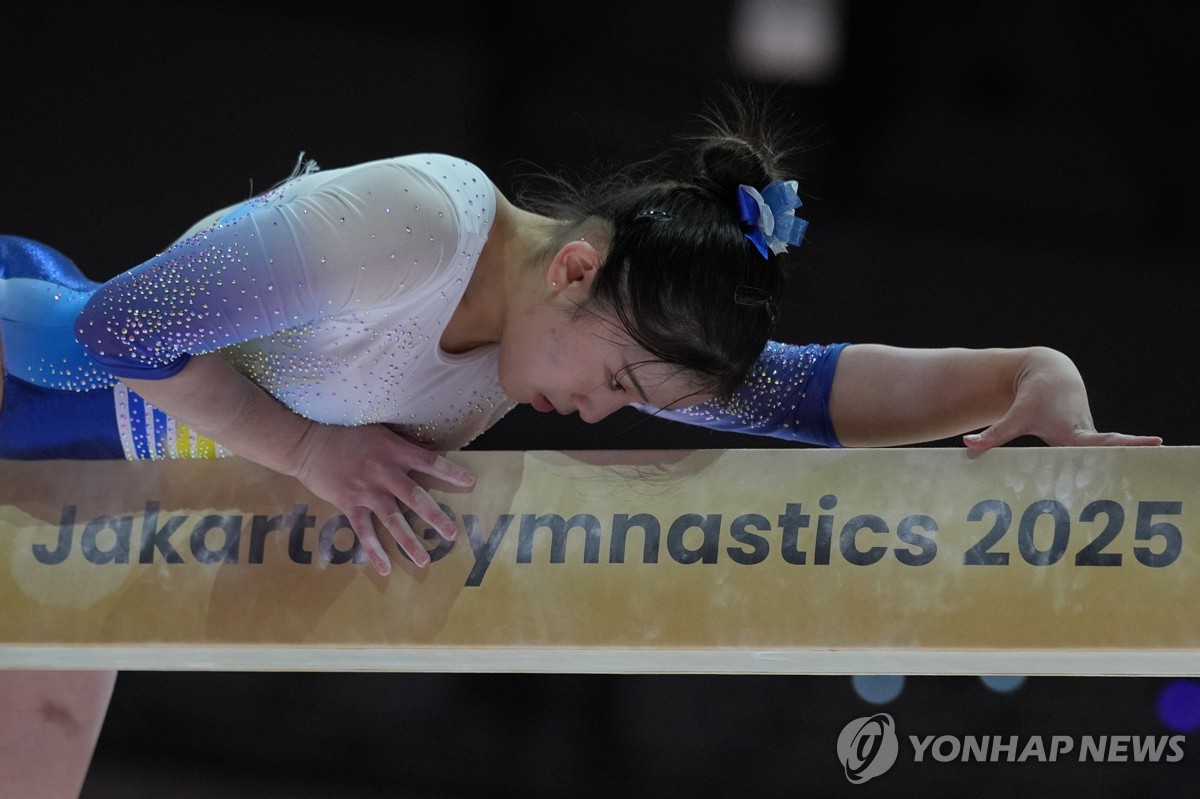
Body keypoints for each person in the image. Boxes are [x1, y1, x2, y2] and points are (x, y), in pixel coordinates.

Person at [0, 97, 1161, 797]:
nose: (604, 411)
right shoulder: (416, 226)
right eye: (616, 378)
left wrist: (1024, 372)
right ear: (573, 266)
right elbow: (110, 330)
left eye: (630, 396)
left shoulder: (545, 337)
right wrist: (309, 452)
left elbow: (806, 396)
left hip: (92, 517)